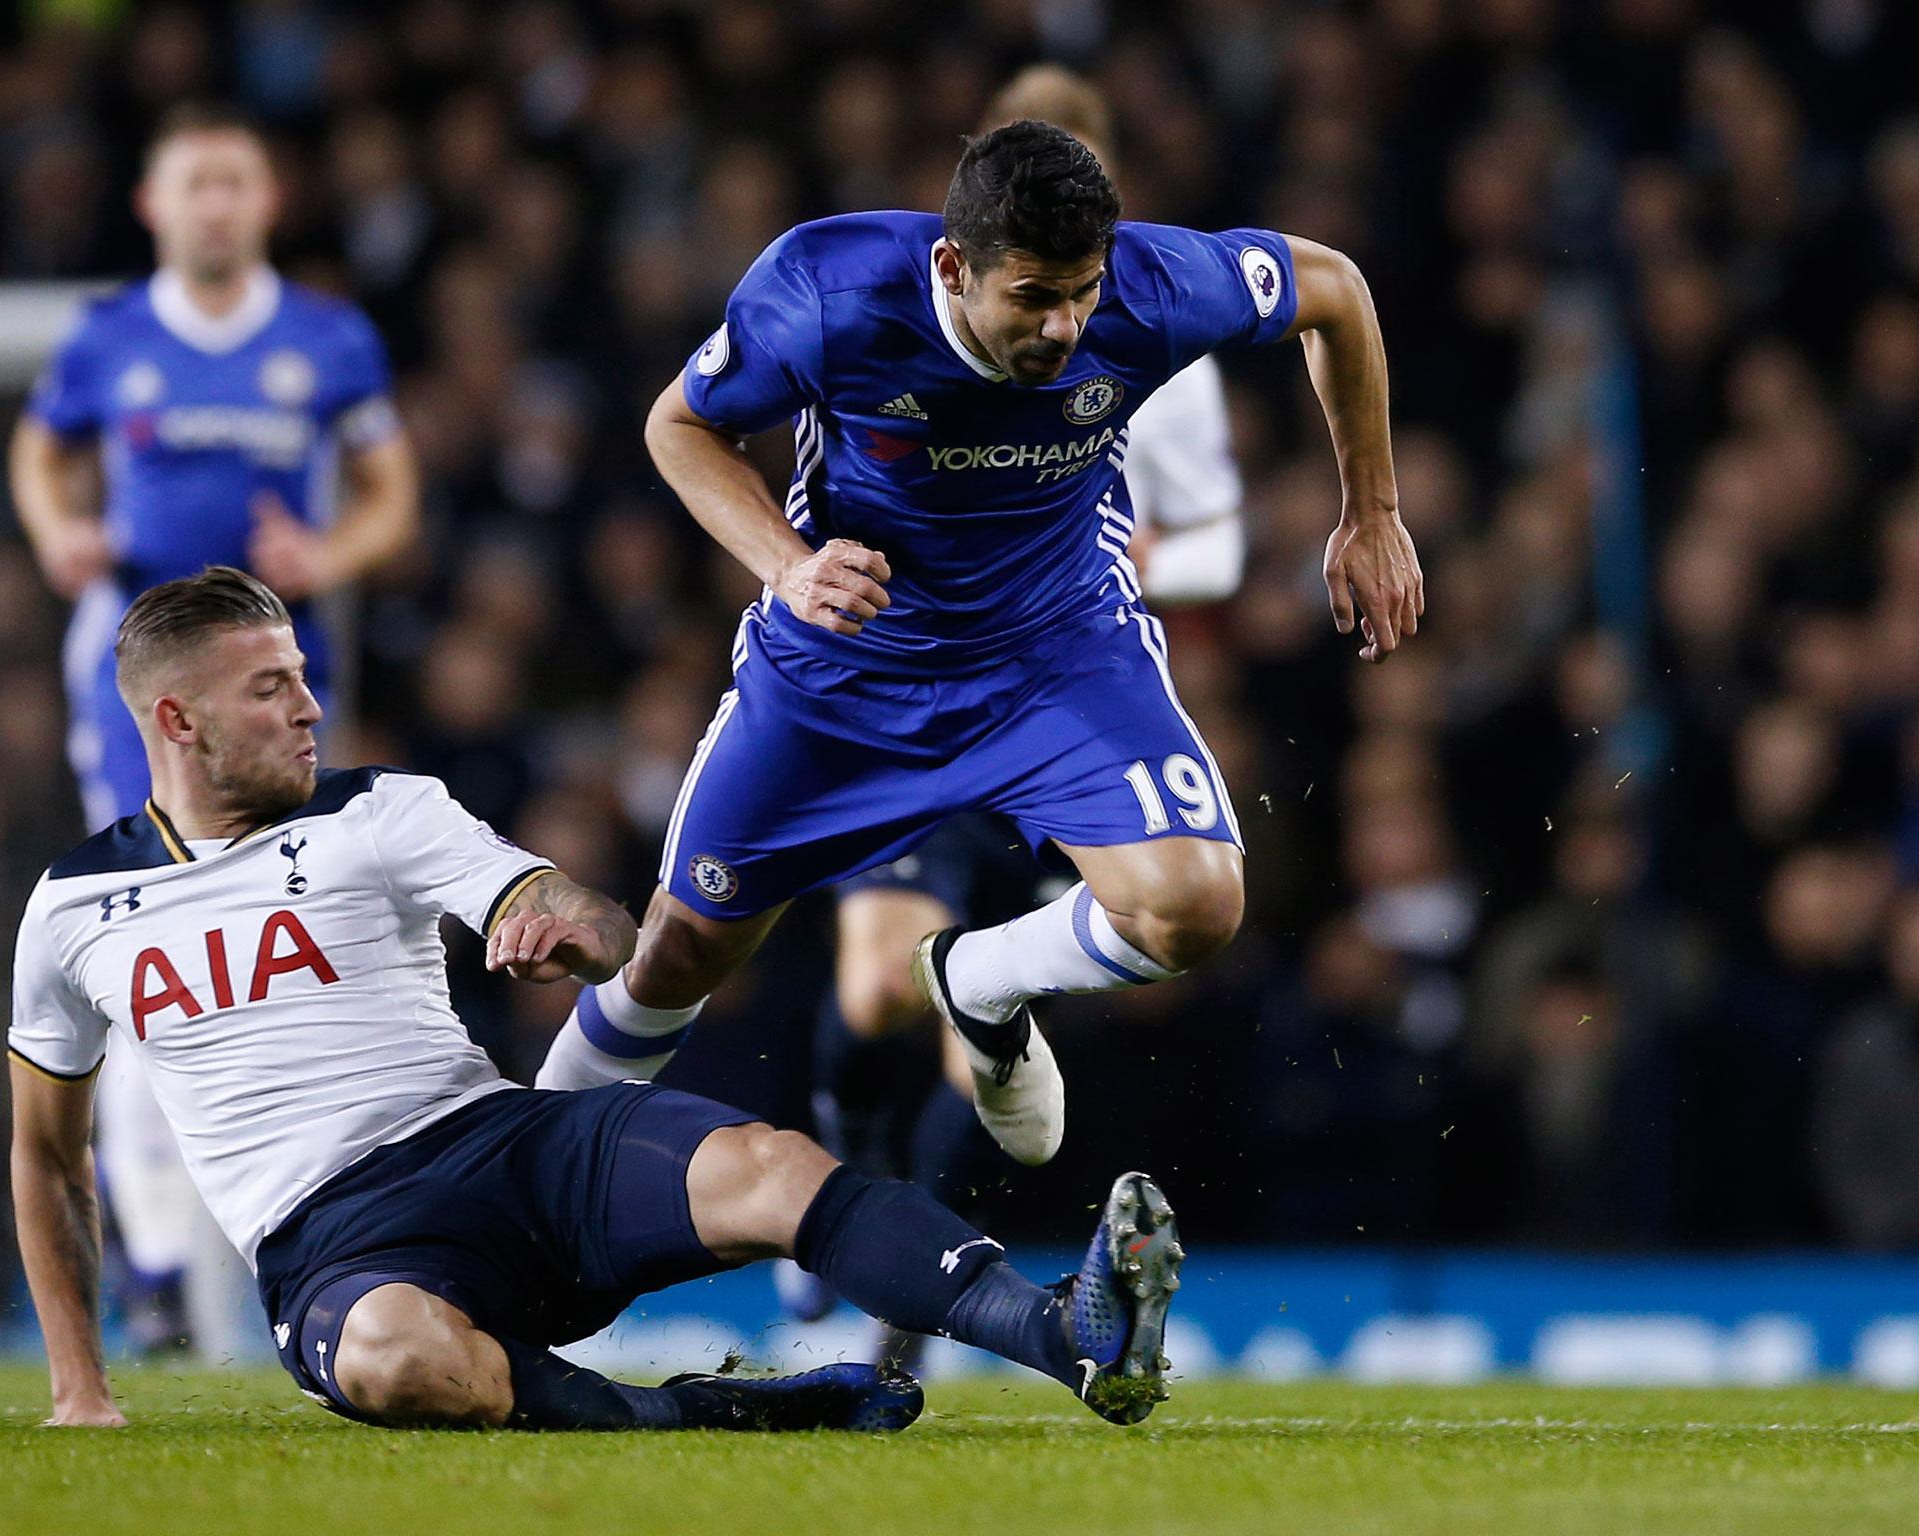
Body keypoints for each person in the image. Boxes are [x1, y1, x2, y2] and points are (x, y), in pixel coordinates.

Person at [8, 566, 1185, 1432]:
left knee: (771, 1166)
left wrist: (565, 926)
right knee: (396, 1363)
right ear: (177, 720)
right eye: (271, 690)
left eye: (304, 679)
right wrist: (80, 1389)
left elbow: (592, 915)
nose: (310, 708)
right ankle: (712, 1417)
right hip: (333, 1243)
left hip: (502, 1147)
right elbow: (49, 1157)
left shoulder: (380, 813)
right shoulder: (70, 908)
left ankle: (1066, 1337)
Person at [535, 119, 1422, 1171]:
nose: (1065, 326)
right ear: (952, 267)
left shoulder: (1153, 288)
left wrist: (1369, 509)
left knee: (1195, 908)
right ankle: (509, 1190)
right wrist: (785, 565)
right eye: (1035, 297)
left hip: (1053, 654)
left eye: (1082, 290)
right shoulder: (830, 289)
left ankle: (978, 979)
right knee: (678, 952)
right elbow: (678, 427)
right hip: (849, 670)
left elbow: (1332, 289)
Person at [788, 66, 1251, 1349]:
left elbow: (1215, 541)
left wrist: (1094, 572)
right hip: (908, 680)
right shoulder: (896, 313)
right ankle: (848, 1152)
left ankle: (900, 1294)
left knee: (980, 1018)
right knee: (878, 984)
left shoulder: (1149, 332)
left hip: (1059, 690)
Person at [8, 103, 419, 1355]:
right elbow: (40, 454)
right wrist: (56, 534)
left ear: (266, 201)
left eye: (234, 182)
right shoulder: (109, 339)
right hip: (130, 700)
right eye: (194, 184)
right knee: (149, 961)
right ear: (153, 205)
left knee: (288, 950)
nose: (215, 205)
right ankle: (150, 1270)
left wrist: (328, 550)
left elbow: (389, 496)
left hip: (275, 689)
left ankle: (292, 1234)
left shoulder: (327, 340)